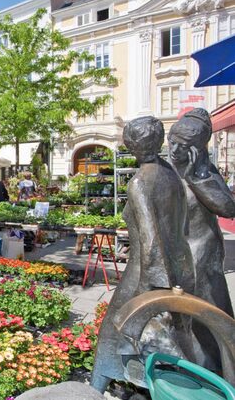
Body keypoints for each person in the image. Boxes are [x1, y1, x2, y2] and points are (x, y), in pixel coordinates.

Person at [91, 116, 195, 393]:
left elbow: (150, 241)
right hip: (181, 263)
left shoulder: (140, 182)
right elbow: (181, 224)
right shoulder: (171, 174)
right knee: (176, 335)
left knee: (116, 335)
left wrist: (152, 290)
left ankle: (95, 389)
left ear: (132, 145)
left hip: (147, 270)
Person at [168, 108, 235, 371]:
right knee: (180, 315)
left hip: (202, 253)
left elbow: (228, 208)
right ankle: (191, 366)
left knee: (212, 313)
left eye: (182, 146)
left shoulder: (206, 172)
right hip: (176, 251)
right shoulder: (166, 169)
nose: (174, 149)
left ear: (197, 148)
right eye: (172, 141)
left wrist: (196, 177)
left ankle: (223, 367)